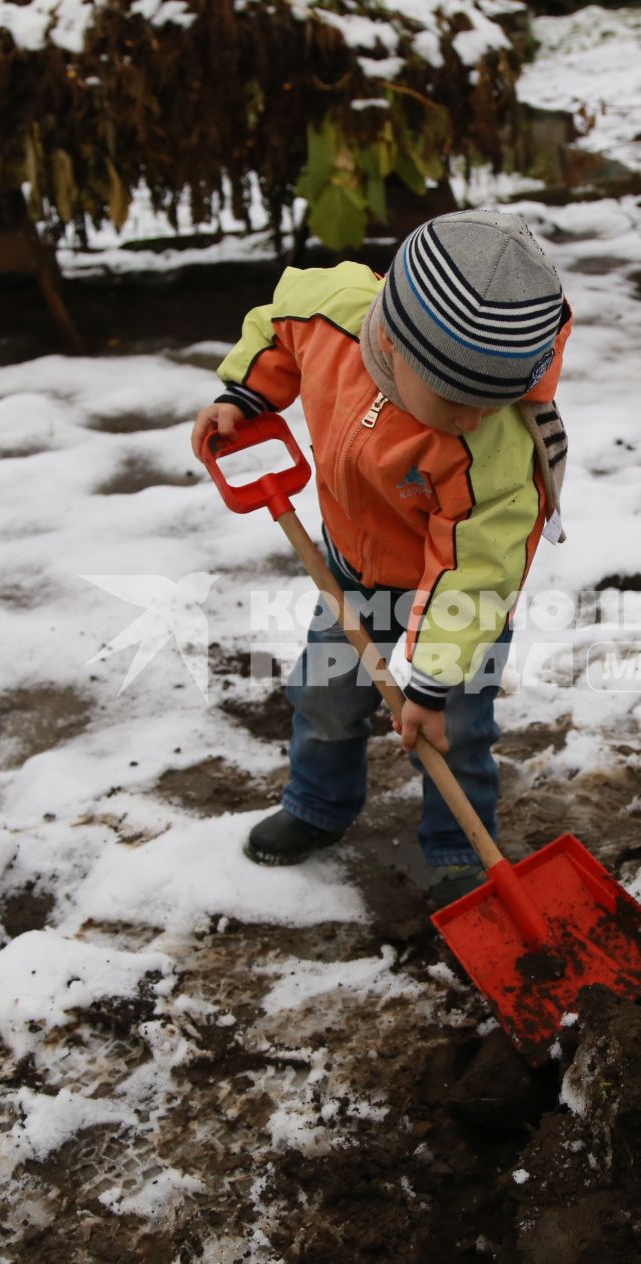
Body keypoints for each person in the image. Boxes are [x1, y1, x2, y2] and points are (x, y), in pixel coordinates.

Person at [191, 209, 572, 908]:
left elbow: (477, 574)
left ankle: (460, 848)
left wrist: (429, 685)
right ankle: (316, 804)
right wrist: (244, 392)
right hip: (348, 576)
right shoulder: (333, 314)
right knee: (325, 700)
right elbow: (278, 322)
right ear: (391, 344)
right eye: (458, 402)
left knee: (454, 728)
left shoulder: (494, 452)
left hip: (456, 601)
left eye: (496, 402)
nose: (475, 420)